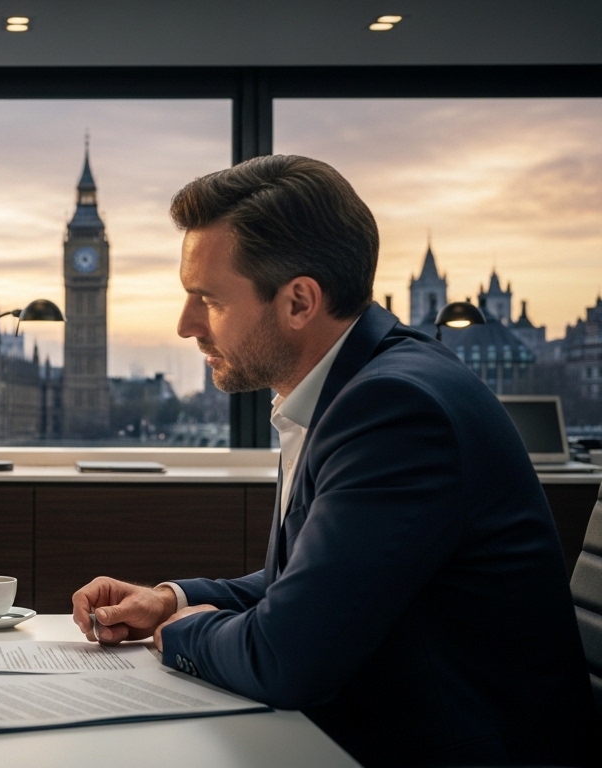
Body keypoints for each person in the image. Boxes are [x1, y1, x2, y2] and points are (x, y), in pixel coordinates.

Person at [71, 155, 595, 766]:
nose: (186, 325)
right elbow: (324, 581)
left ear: (299, 302)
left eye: (207, 299)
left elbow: (287, 657)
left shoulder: (395, 409)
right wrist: (173, 598)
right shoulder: (354, 388)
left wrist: (181, 633)